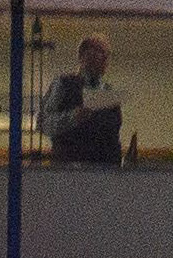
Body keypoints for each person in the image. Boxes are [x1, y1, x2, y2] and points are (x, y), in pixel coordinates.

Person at [35, 33, 127, 163]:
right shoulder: (63, 84)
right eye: (96, 54)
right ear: (82, 57)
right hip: (70, 169)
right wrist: (72, 117)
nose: (102, 59)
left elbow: (113, 135)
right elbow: (43, 123)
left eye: (105, 55)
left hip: (104, 170)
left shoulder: (109, 92)